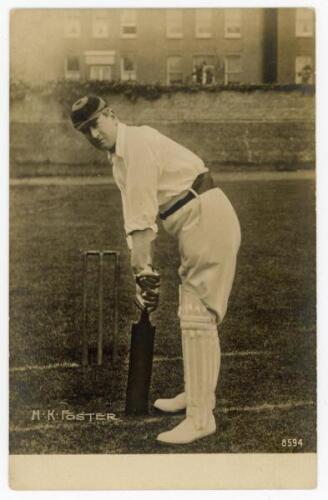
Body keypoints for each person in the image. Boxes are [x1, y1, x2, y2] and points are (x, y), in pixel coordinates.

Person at [70, 95, 241, 444]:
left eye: (96, 123)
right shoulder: (118, 159)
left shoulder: (138, 143)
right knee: (194, 314)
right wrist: (142, 266)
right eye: (85, 130)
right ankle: (197, 396)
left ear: (111, 115)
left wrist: (142, 268)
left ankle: (200, 418)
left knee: (197, 317)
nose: (93, 133)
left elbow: (144, 213)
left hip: (204, 216)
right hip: (194, 220)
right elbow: (134, 214)